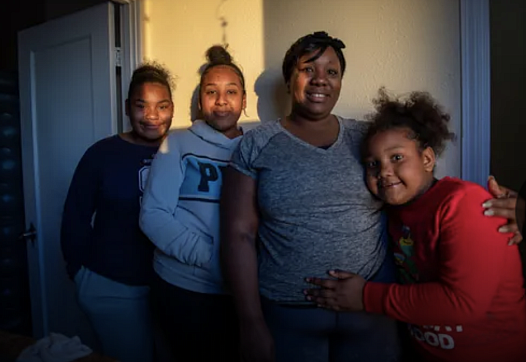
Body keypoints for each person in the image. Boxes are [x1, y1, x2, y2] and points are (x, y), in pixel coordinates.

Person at [220, 31, 521, 362]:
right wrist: (249, 322)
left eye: (331, 72)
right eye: (308, 69)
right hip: (289, 311)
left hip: (371, 314)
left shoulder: (368, 136)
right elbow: (239, 233)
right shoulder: (257, 144)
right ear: (290, 77)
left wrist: (508, 209)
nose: (320, 80)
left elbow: (421, 192)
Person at [304, 88, 526, 362]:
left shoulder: (463, 203)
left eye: (396, 158)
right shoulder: (394, 212)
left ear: (427, 159)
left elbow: (463, 304)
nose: (383, 171)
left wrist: (365, 296)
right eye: (373, 164)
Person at [60, 62, 175, 362]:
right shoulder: (101, 154)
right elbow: (75, 217)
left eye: (161, 106)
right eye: (141, 106)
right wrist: (81, 274)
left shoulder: (181, 150)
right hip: (112, 287)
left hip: (170, 288)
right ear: (127, 108)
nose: (152, 116)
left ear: (172, 108)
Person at [139, 45, 245, 362]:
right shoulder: (179, 142)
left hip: (242, 293)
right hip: (184, 289)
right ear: (200, 101)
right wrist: (213, 259)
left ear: (244, 99)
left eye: (231, 91)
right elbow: (153, 216)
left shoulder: (258, 146)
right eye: (211, 92)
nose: (222, 100)